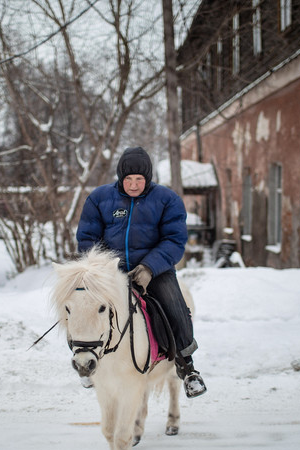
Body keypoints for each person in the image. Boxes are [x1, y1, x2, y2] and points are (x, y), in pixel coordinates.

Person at [76, 146, 207, 398]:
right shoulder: (99, 198)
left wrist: (149, 267)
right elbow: (87, 238)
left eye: (139, 179)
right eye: (128, 179)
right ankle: (88, 364)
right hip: (109, 271)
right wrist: (102, 268)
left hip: (154, 270)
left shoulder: (167, 200)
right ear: (120, 177)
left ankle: (187, 367)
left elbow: (174, 240)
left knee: (173, 303)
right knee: (84, 304)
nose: (134, 185)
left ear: (148, 179)